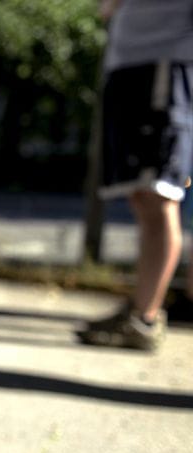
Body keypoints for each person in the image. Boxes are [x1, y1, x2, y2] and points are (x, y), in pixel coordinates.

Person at [77, 0, 193, 351]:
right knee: (143, 195)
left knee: (159, 194)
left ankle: (144, 318)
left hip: (167, 62)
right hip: (135, 64)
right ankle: (140, 308)